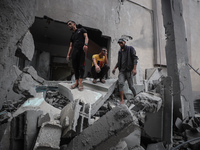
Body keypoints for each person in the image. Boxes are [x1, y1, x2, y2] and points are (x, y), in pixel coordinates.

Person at [112, 38, 138, 104]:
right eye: (119, 43)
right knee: (120, 84)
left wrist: (134, 69)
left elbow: (135, 58)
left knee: (131, 86)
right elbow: (119, 62)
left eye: (121, 43)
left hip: (129, 71)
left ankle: (136, 96)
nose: (120, 44)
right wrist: (115, 68)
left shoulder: (130, 49)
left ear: (125, 42)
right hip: (122, 71)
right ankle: (122, 100)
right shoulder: (120, 52)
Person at [66, 20, 89, 91]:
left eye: (70, 24)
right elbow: (70, 46)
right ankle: (76, 82)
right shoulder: (72, 35)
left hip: (82, 51)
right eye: (68, 25)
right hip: (74, 53)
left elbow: (86, 37)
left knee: (81, 67)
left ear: (74, 24)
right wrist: (68, 55)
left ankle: (80, 83)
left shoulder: (81, 30)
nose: (69, 26)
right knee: (75, 67)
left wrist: (85, 44)